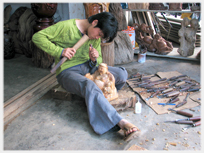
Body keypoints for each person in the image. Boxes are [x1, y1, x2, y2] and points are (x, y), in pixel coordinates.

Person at [32, 12, 140, 141]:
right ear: (94, 22)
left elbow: (99, 61)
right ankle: (120, 122)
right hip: (68, 71)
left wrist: (94, 59)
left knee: (121, 74)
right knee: (89, 84)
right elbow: (38, 37)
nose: (97, 38)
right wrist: (60, 51)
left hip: (89, 68)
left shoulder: (94, 35)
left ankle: (96, 96)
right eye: (99, 34)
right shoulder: (66, 27)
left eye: (101, 37)